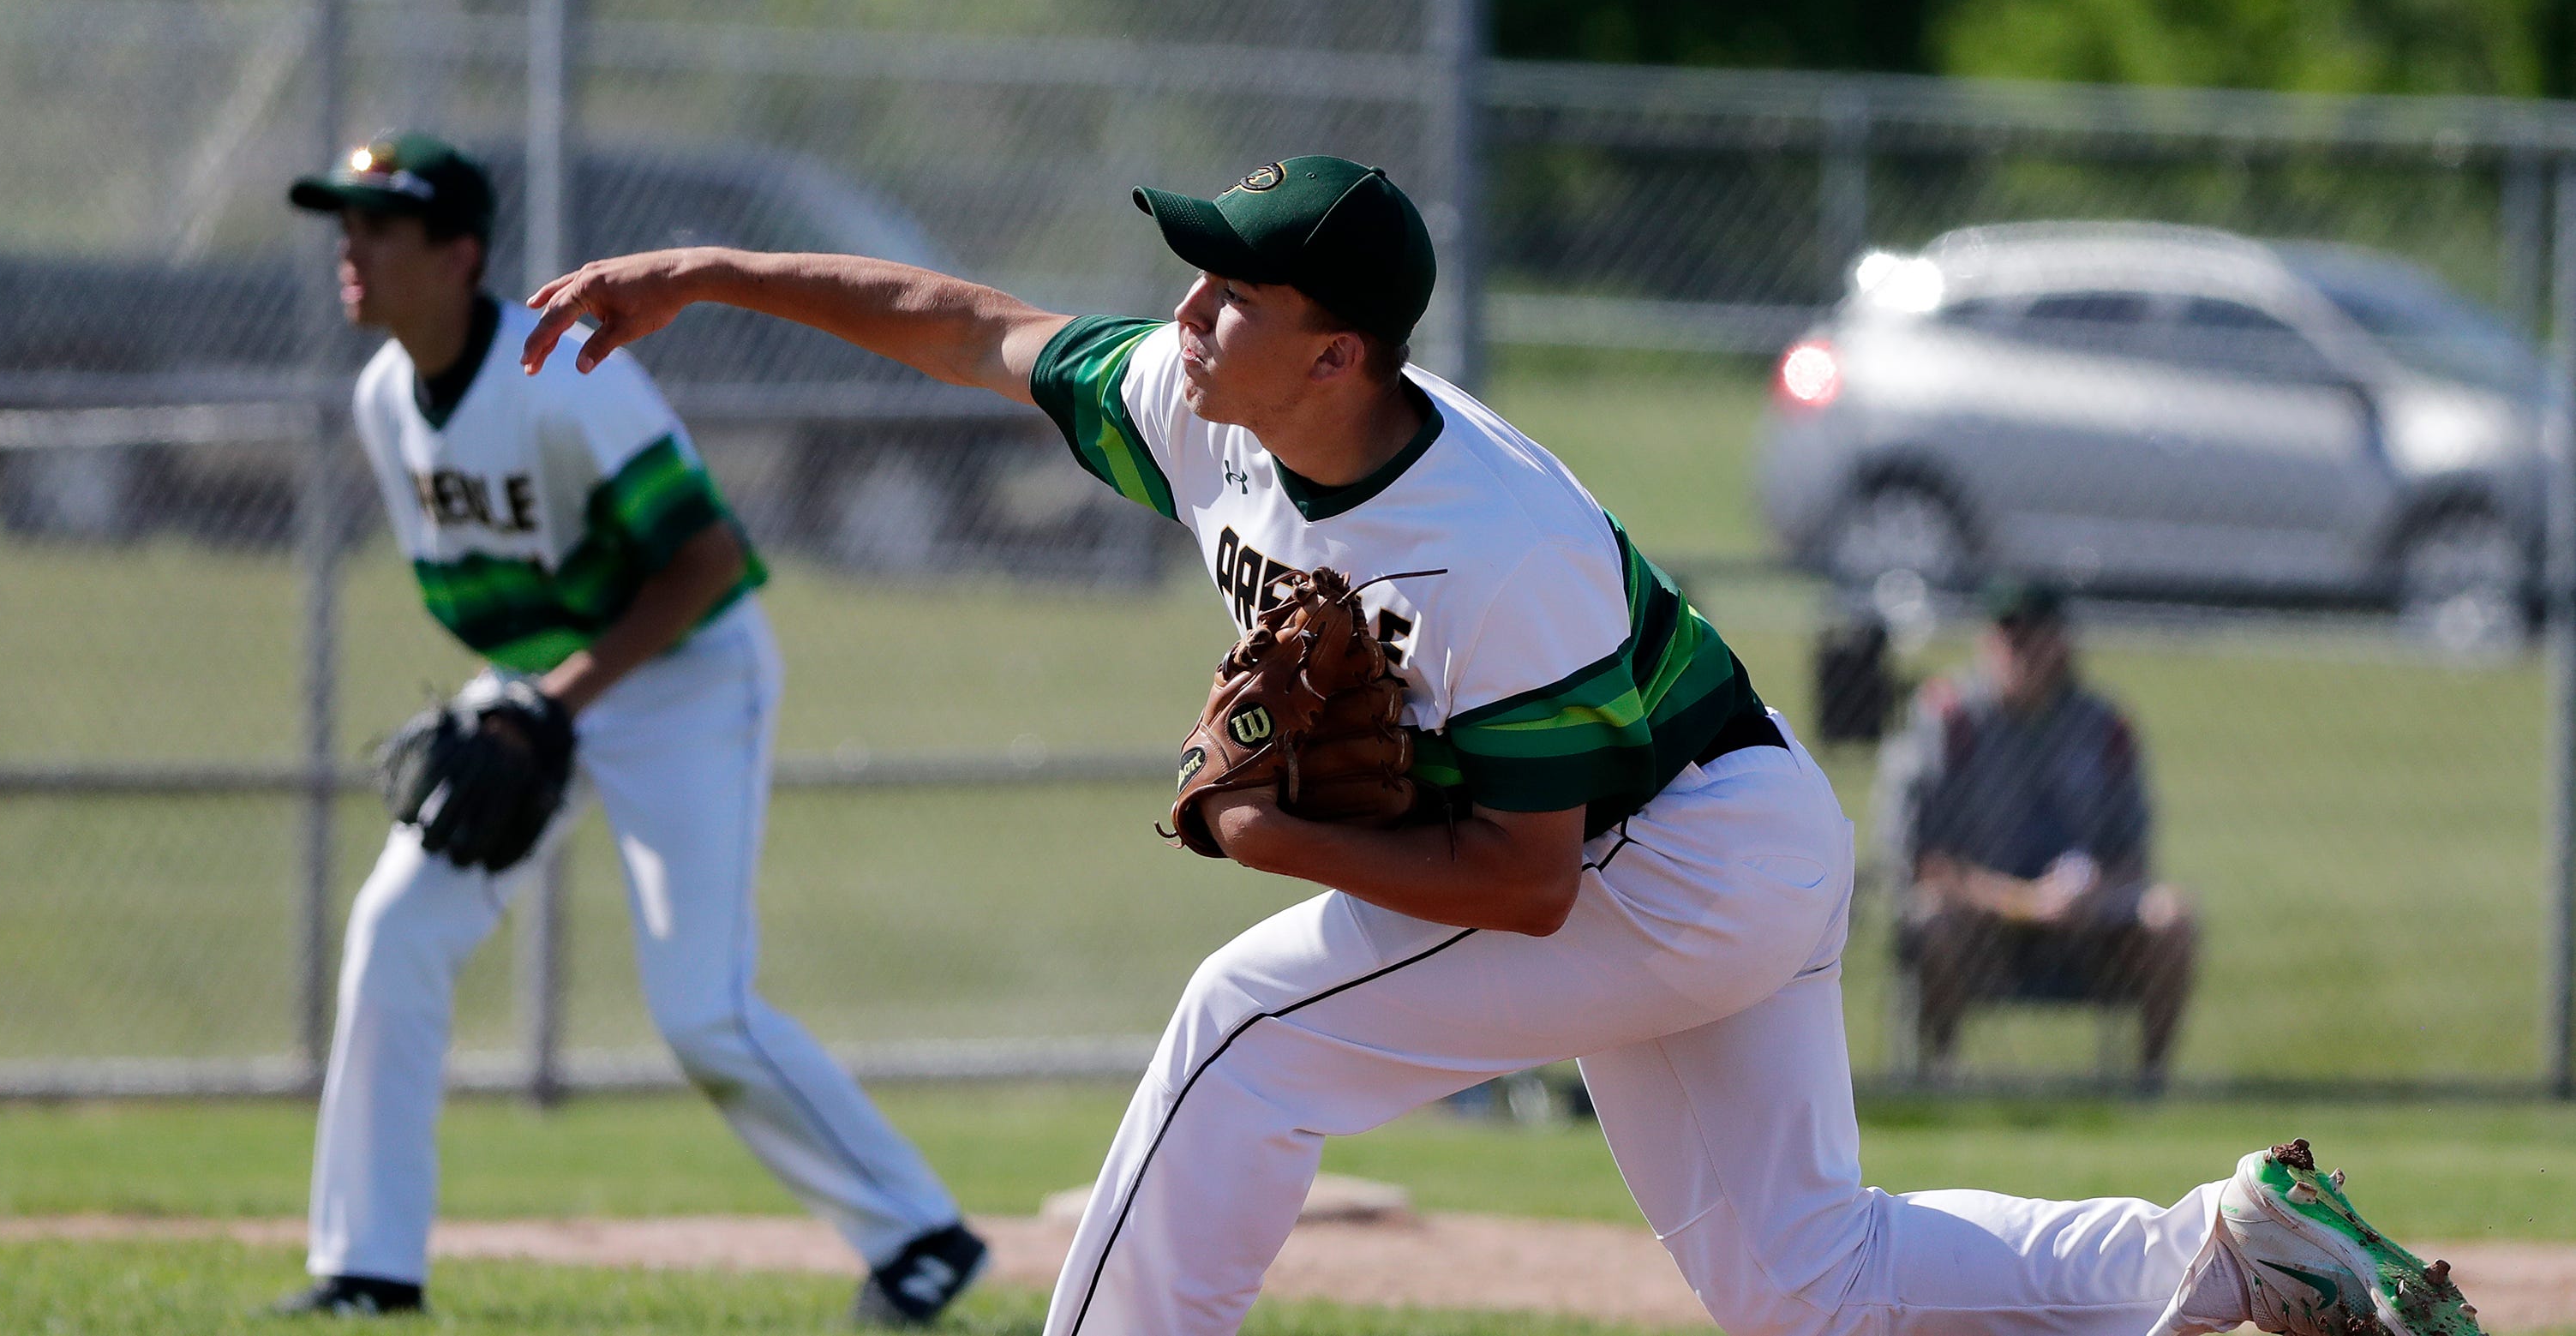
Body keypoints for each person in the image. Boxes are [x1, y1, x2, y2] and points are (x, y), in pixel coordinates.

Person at [518, 155, 2483, 1336]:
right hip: (1710, 836)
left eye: (1233, 287)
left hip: (1678, 855)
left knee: (1236, 1023)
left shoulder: (1498, 547)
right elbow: (967, 324)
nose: (1183, 308)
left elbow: (1525, 886)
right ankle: (2224, 1245)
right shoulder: (1215, 402)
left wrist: (1267, 831)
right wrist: (699, 273)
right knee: (1796, 1275)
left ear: (1343, 352)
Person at [271, 133, 985, 1325]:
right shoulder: (385, 396)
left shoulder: (558, 369)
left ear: (459, 256)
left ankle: (919, 1236)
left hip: (690, 674)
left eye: (379, 226)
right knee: (395, 927)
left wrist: (550, 708)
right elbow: (493, 600)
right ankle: (367, 1271)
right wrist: (521, 707)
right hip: (553, 677)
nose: (350, 248)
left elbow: (705, 561)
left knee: (701, 1007)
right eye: (342, 223)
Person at [1879, 580, 2201, 1085]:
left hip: (2086, 930)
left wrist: (2090, 893)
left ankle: (2151, 1086)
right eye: (2010, 635)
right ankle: (1937, 1080)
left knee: (2172, 917)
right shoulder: (1949, 719)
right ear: (1988, 640)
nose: (2021, 651)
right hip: (1981, 924)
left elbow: (2133, 859)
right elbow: (1920, 860)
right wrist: (2024, 900)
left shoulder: (2104, 726)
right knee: (1930, 915)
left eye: (2035, 636)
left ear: (2062, 642)